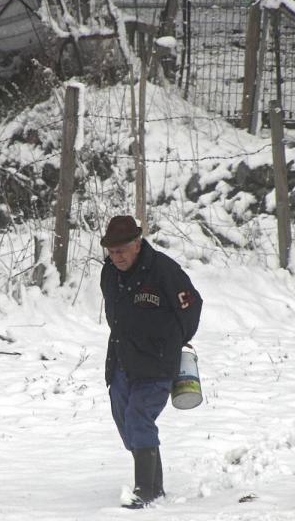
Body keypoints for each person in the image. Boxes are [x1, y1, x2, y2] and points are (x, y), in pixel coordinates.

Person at [99, 215, 203, 509]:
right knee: (126, 423)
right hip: (121, 359)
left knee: (138, 417)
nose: (116, 256)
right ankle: (154, 485)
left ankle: (145, 490)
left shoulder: (164, 271)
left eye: (121, 250)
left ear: (137, 244)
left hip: (156, 363)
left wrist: (171, 342)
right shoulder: (109, 273)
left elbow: (192, 307)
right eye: (111, 250)